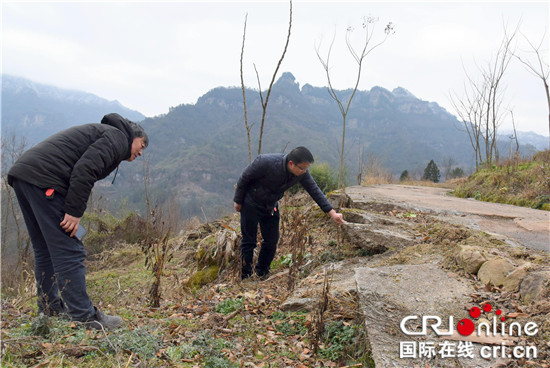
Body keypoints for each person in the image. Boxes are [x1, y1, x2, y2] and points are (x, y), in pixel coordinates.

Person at [7, 113, 148, 330]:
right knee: (69, 249)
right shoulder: (118, 138)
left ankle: (50, 308)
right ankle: (85, 317)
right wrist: (73, 211)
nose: (141, 152)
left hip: (25, 176)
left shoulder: (106, 135)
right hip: (44, 180)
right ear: (133, 136)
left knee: (45, 249)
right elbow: (85, 170)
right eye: (142, 145)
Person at [233, 146, 345, 280]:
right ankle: (245, 276)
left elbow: (314, 190)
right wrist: (238, 201)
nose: (304, 171)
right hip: (251, 203)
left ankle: (262, 272)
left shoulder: (302, 173)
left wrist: (332, 213)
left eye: (306, 168)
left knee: (271, 240)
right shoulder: (265, 162)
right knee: (249, 241)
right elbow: (244, 179)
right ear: (291, 163)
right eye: (302, 168)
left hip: (271, 206)